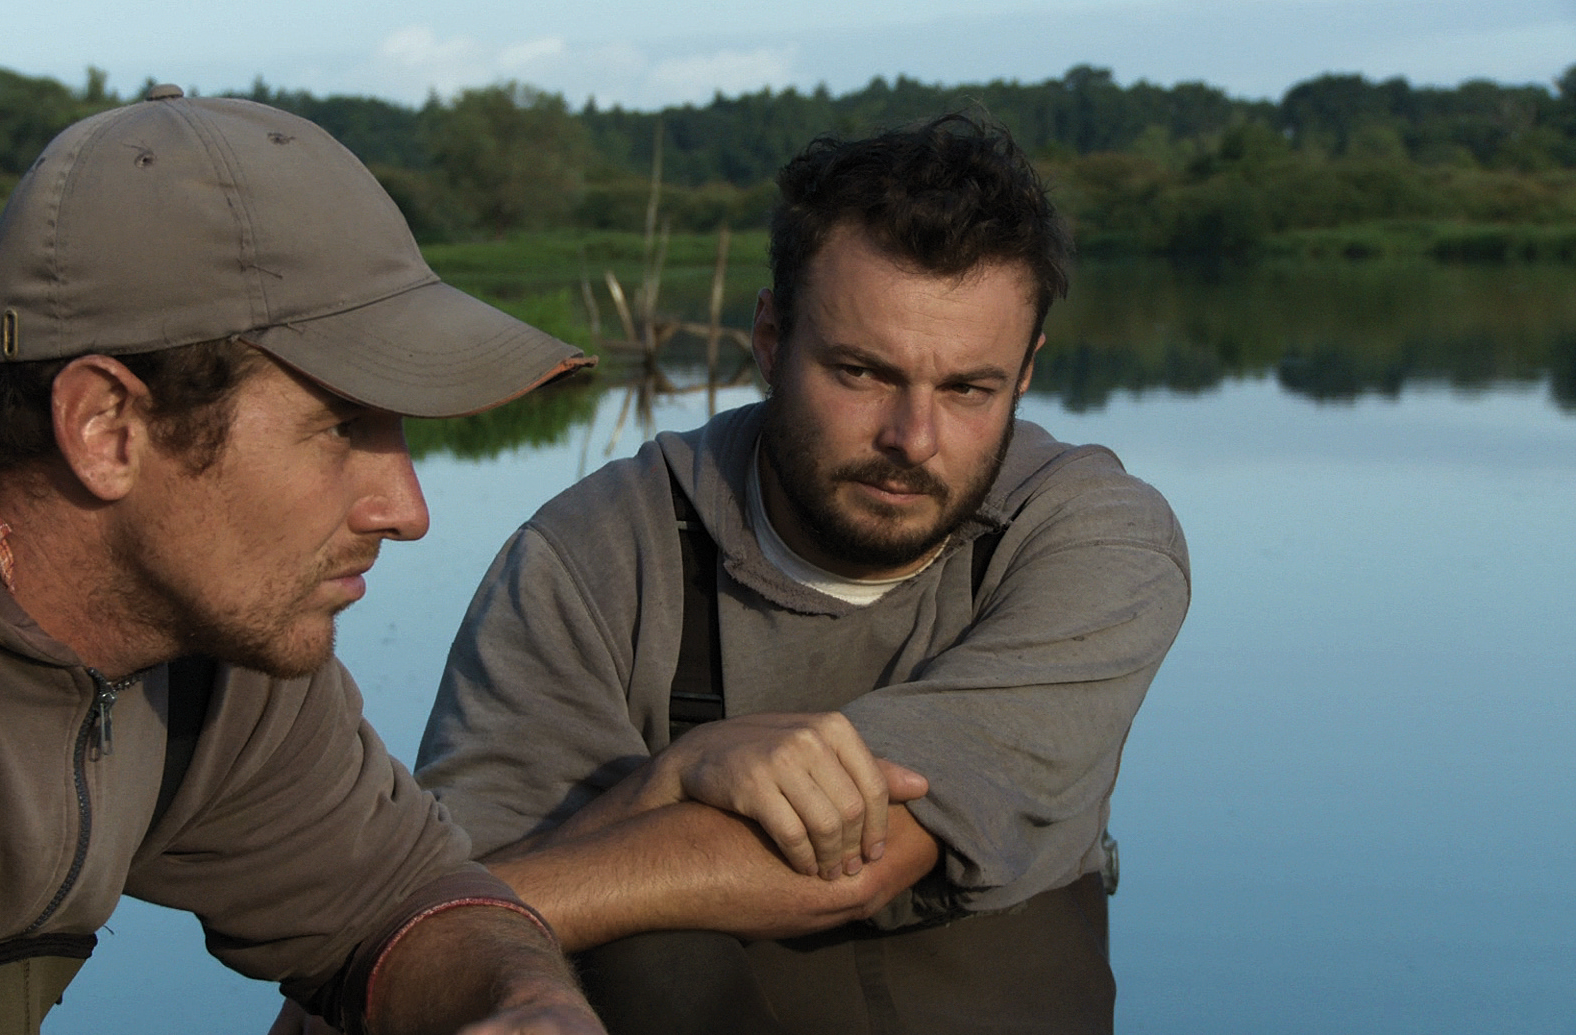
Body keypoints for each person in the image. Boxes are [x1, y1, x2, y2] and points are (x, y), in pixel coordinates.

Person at [0, 87, 605, 1035]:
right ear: (106, 426)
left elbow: (395, 900)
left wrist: (526, 999)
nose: (406, 510)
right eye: (340, 427)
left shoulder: (206, 634)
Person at [415, 113, 1191, 1034]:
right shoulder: (590, 554)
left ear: (1025, 375)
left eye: (967, 389)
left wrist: (399, 937)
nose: (913, 438)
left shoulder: (1094, 538)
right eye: (862, 373)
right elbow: (472, 931)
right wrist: (667, 780)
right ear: (771, 337)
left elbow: (864, 851)